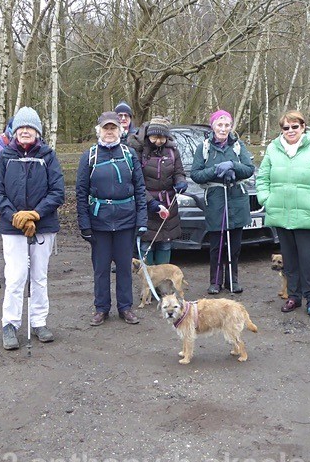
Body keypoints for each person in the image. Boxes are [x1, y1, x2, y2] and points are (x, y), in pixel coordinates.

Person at [0, 106, 64, 350]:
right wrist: (15, 217)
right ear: (14, 131)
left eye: (29, 128)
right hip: (13, 228)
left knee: (39, 277)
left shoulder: (48, 156)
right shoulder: (5, 157)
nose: (25, 131)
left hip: (43, 226)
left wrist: (35, 214)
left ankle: (39, 321)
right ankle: (9, 324)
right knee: (15, 277)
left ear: (37, 132)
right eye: (21, 127)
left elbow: (57, 192)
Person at [256, 110, 310, 316]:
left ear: (303, 127)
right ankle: (293, 296)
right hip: (281, 214)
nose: (290, 131)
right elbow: (262, 178)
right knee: (289, 259)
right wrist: (266, 199)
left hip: (307, 214)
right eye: (286, 127)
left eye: (295, 126)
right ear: (281, 129)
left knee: (309, 259)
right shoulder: (273, 150)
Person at [76, 111, 148, 326]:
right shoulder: (89, 156)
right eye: (106, 128)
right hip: (99, 222)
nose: (109, 132)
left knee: (125, 267)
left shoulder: (129, 154)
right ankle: (101, 308)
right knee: (101, 269)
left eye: (113, 128)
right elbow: (80, 192)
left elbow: (140, 189)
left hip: (126, 220)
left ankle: (125, 307)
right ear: (99, 130)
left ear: (121, 130)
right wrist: (85, 224)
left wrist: (142, 220)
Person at [191, 109, 256, 294]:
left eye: (227, 125)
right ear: (213, 126)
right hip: (215, 199)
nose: (224, 128)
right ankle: (215, 281)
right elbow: (196, 174)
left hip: (236, 197)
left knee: (235, 245)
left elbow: (249, 169)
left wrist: (233, 166)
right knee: (216, 244)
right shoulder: (203, 147)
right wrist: (215, 170)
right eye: (220, 124)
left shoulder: (237, 146)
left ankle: (232, 280)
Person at [126, 116, 187, 265]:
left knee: (165, 243)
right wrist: (150, 202)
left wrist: (180, 182)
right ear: (148, 135)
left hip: (168, 204)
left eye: (162, 138)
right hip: (145, 204)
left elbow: (179, 172)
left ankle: (163, 284)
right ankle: (149, 282)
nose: (158, 141)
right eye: (155, 137)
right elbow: (135, 181)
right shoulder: (138, 151)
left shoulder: (172, 151)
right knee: (147, 243)